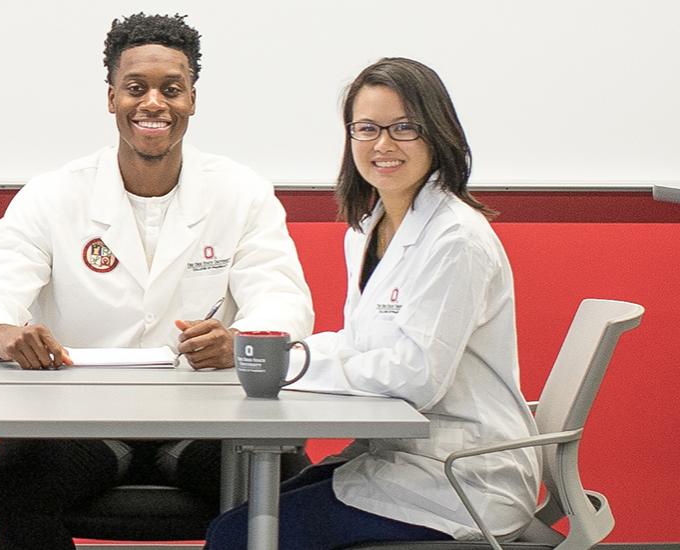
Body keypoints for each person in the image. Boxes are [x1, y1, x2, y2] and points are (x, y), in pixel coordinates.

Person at [0, 13, 314, 548]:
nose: (153, 104)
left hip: (206, 419)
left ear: (192, 98)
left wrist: (241, 342)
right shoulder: (52, 196)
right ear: (112, 96)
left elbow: (283, 299)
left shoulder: (242, 193)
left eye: (172, 89)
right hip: (81, 420)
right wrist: (3, 334)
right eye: (135, 88)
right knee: (19, 479)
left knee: (285, 479)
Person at [203, 58, 542, 549]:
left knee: (241, 535)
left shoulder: (457, 240)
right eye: (367, 128)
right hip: (401, 456)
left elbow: (416, 378)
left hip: (462, 475)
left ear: (438, 133)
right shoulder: (368, 229)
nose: (383, 145)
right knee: (239, 521)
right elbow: (358, 344)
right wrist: (280, 356)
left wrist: (294, 368)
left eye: (404, 127)